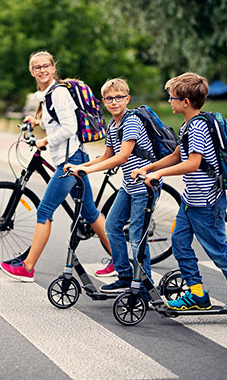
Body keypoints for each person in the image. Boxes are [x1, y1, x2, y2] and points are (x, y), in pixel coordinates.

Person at [131, 72, 227, 328]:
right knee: (180, 243)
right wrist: (150, 169)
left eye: (171, 97)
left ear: (185, 101)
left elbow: (193, 163)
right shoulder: (187, 125)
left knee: (219, 252)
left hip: (207, 202)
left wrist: (158, 173)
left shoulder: (198, 127)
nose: (168, 101)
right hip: (190, 201)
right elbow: (175, 156)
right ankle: (197, 294)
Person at [0, 51, 111, 282]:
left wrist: (45, 140)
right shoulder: (46, 94)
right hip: (71, 158)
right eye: (37, 67)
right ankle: (122, 262)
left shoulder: (58, 93)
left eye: (46, 65)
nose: (42, 70)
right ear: (32, 71)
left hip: (70, 162)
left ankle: (28, 267)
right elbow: (55, 120)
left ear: (53, 67)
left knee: (44, 211)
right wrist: (36, 121)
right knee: (89, 212)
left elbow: (69, 128)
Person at [66, 78, 157, 293]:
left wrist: (88, 171)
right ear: (103, 101)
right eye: (109, 99)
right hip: (128, 186)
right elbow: (107, 155)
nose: (114, 102)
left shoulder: (132, 121)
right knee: (111, 226)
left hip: (145, 187)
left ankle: (145, 285)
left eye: (118, 98)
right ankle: (125, 275)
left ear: (127, 98)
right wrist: (80, 165)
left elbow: (122, 157)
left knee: (136, 236)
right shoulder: (114, 124)